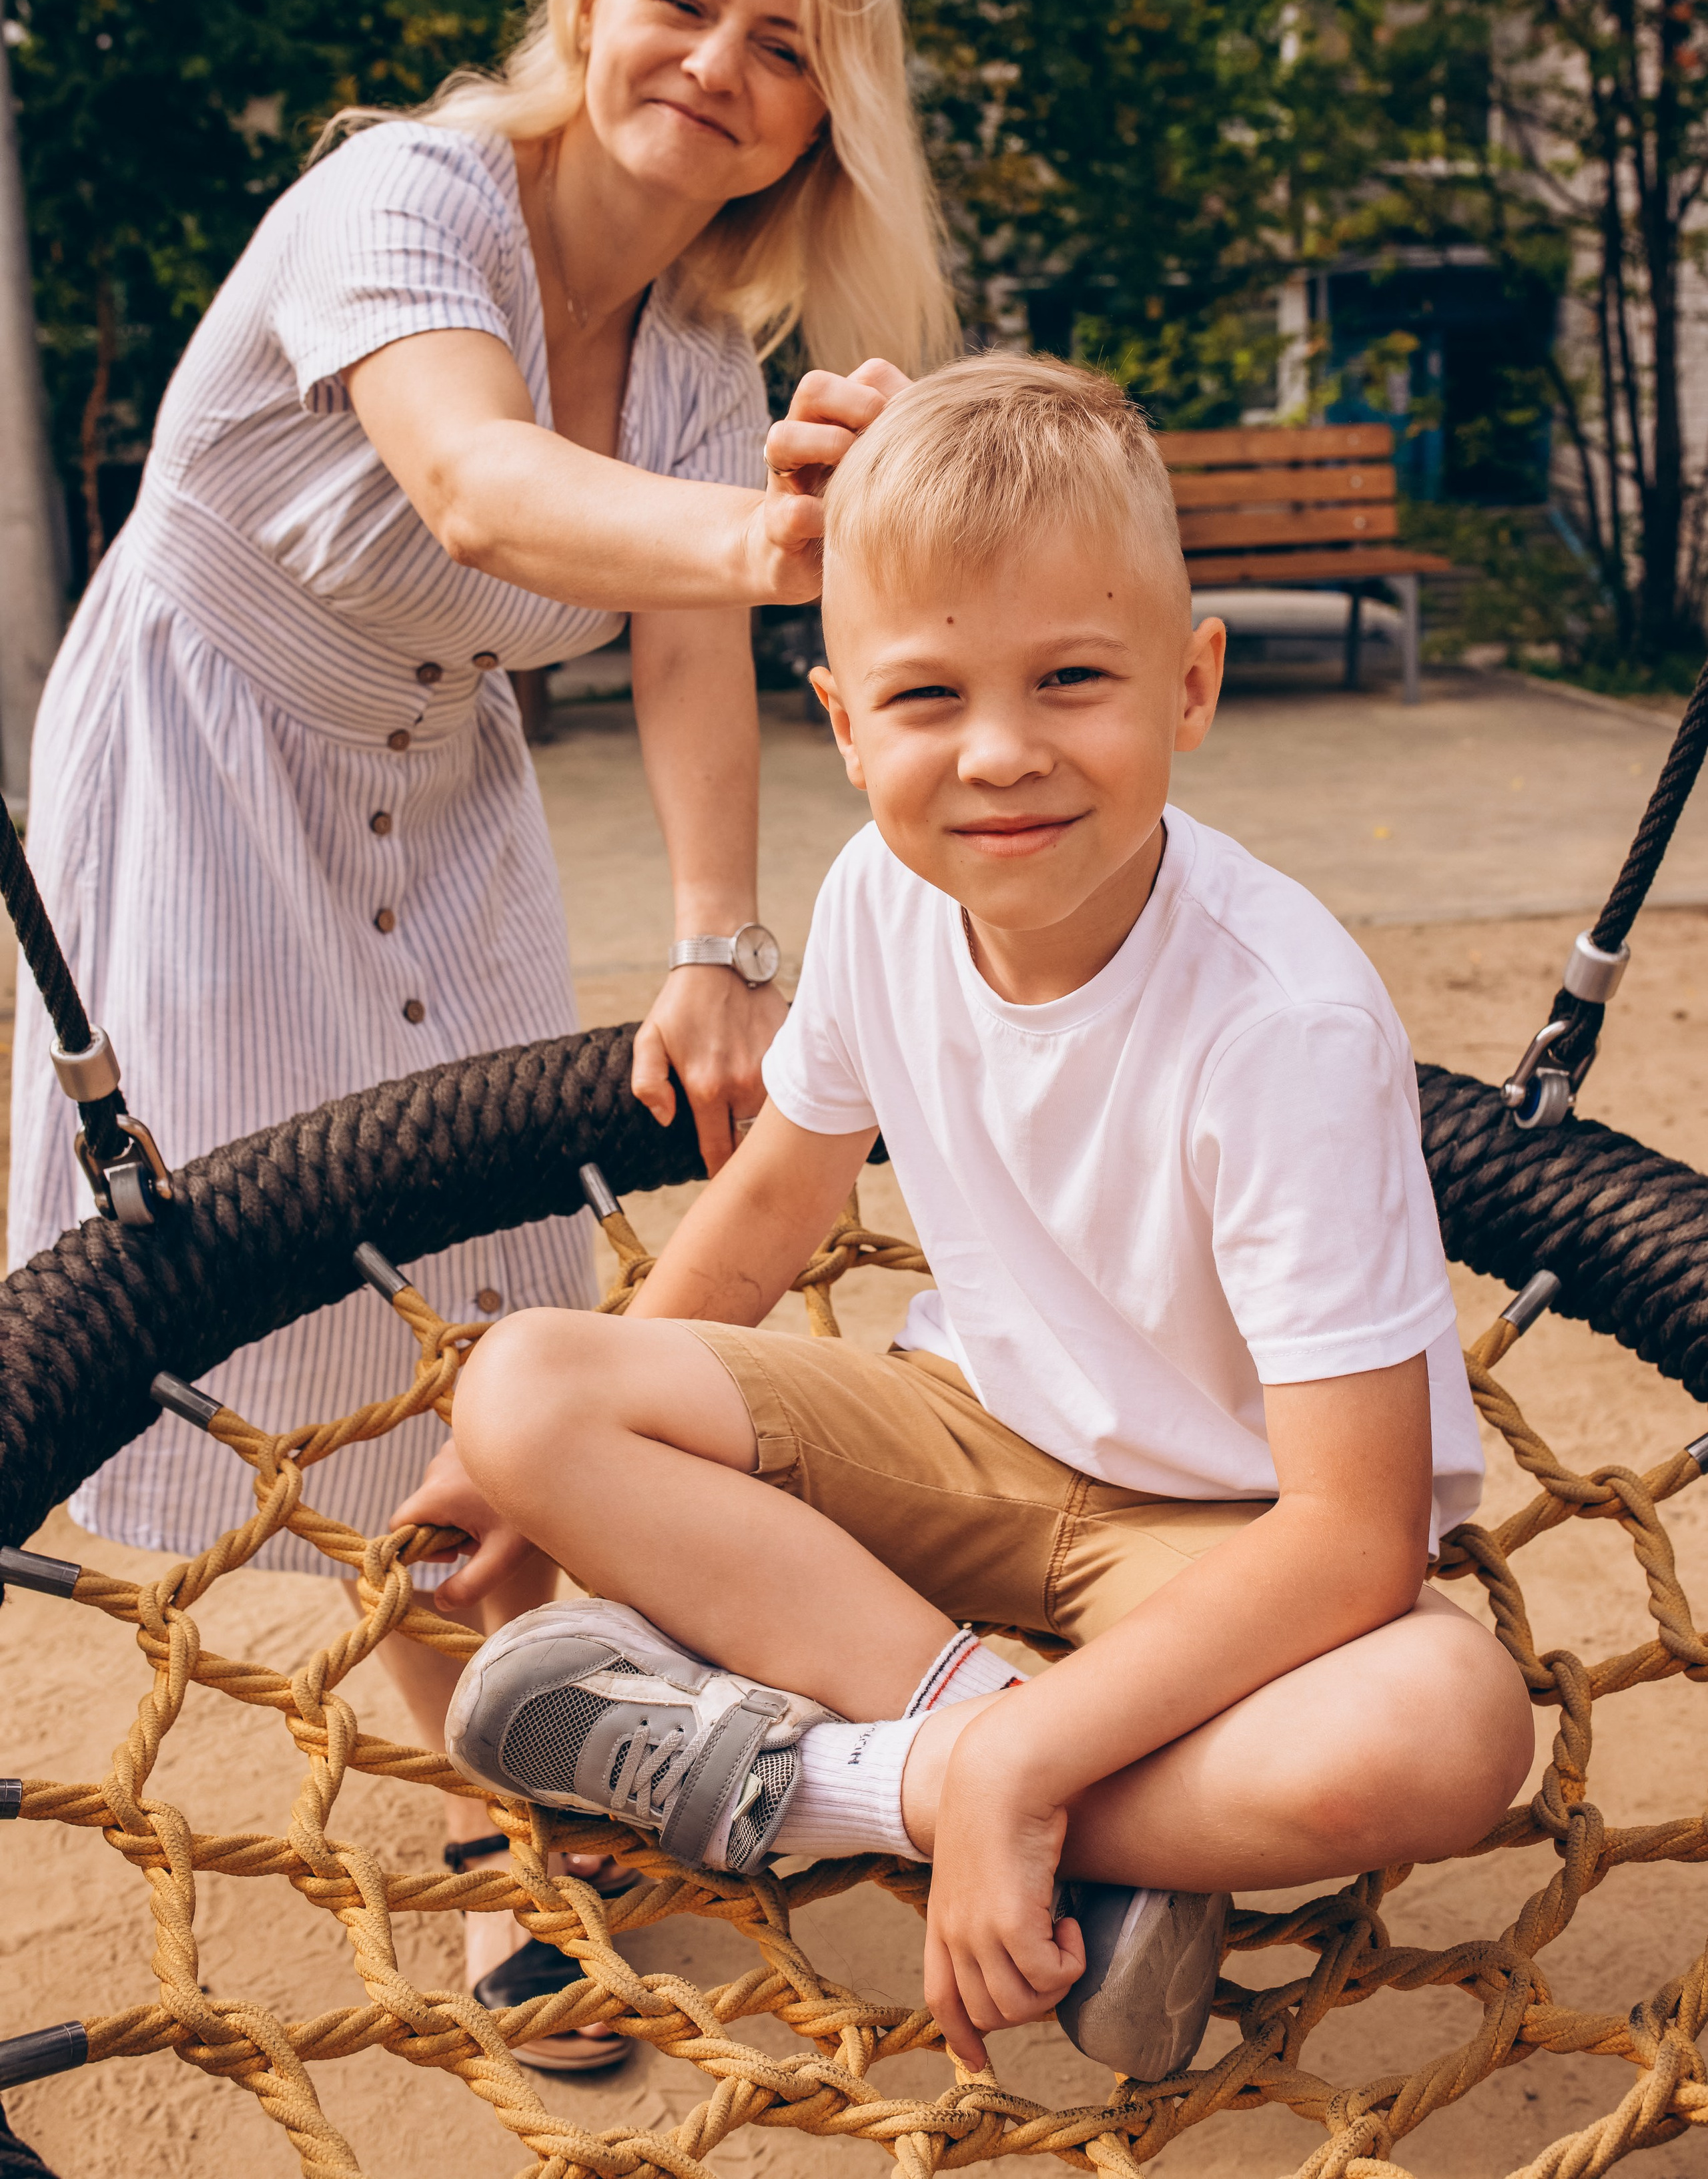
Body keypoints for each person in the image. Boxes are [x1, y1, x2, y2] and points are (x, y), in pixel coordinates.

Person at [6, 0, 957, 2070]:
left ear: (824, 117)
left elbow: (689, 641)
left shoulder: (703, 334)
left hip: (445, 782)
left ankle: (567, 1724)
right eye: (685, 3)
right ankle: (513, 1834)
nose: (719, 67)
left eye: (787, 49)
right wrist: (771, 541)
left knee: (500, 1298)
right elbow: (476, 485)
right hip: (214, 753)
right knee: (318, 1310)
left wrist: (720, 940)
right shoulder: (406, 199)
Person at [397, 352, 1535, 2080]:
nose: (1002, 754)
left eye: (1072, 677)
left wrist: (1026, 1762)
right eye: (927, 697)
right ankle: (986, 1781)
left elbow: (1356, 1534)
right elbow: (773, 1204)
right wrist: (526, 1472)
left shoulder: (1279, 1023)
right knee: (529, 1385)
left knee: (1446, 1731)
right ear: (845, 727)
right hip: (970, 1437)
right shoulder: (878, 898)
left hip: (1230, 1532)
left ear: (1190, 686)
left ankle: (860, 1785)